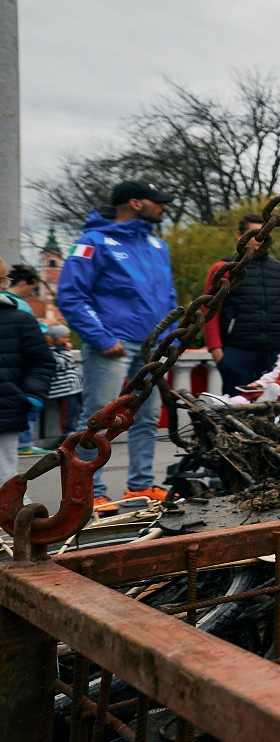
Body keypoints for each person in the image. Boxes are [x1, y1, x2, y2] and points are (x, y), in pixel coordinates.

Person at [59, 180, 179, 511]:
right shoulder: (91, 243)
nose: (164, 206)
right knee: (96, 419)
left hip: (153, 348)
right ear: (136, 203)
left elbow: (169, 298)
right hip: (113, 344)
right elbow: (71, 295)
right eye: (159, 201)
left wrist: (174, 339)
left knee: (148, 416)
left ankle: (139, 486)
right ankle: (89, 490)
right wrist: (101, 338)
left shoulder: (157, 246)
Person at [201, 214, 280, 396]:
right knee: (235, 407)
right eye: (254, 233)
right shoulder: (223, 269)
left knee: (275, 406)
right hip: (237, 350)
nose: (260, 239)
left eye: (265, 233)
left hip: (276, 351)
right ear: (239, 235)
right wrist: (216, 351)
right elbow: (209, 312)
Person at [0, 289, 52, 492]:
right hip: (8, 404)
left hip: (5, 407)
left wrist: (32, 396)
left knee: (5, 479)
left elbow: (41, 361)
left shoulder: (19, 318)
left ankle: (16, 520)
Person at [42, 323, 81, 444]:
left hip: (74, 387)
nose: (67, 340)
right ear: (54, 338)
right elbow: (60, 363)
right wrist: (66, 351)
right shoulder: (49, 351)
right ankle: (68, 433)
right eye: (64, 337)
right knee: (67, 411)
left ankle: (77, 430)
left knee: (77, 410)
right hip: (64, 389)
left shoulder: (61, 350)